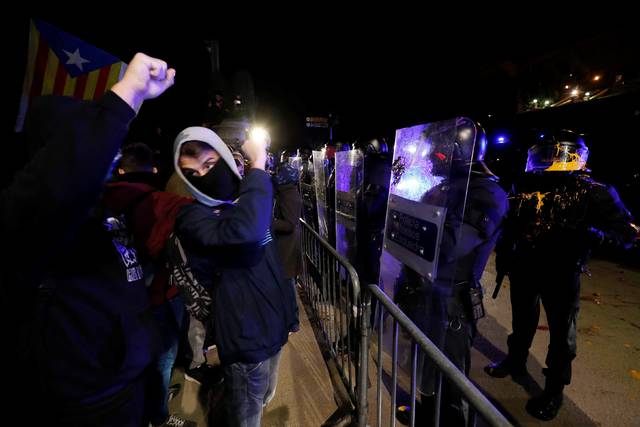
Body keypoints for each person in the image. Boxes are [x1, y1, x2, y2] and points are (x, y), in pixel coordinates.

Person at [0, 53, 174, 424]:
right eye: (85, 136)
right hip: (88, 406)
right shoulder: (33, 215)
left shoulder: (101, 206)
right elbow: (65, 180)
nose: (109, 154)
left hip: (128, 388)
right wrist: (129, 94)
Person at [484, 129, 637, 421]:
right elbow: (510, 223)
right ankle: (515, 362)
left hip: (562, 271)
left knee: (561, 335)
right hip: (525, 266)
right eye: (539, 153)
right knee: (522, 321)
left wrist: (590, 236)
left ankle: (554, 390)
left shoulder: (593, 191)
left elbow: (627, 235)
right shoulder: (524, 182)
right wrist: (505, 255)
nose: (543, 159)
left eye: (550, 153)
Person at [172, 126, 297, 427]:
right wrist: (257, 167)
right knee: (246, 416)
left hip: (272, 329)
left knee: (264, 397)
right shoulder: (193, 218)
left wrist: (288, 316)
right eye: (194, 172)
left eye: (210, 163)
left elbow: (270, 260)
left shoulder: (243, 201)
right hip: (245, 341)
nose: (204, 173)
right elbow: (248, 234)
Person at [396, 121, 508, 426]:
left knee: (450, 377)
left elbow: (449, 246)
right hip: (426, 292)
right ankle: (428, 415)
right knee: (426, 366)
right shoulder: (441, 187)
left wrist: (413, 222)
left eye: (437, 147)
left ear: (455, 149)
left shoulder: (487, 193)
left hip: (452, 301)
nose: (431, 154)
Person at [104, 142, 197, 427]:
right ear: (153, 169)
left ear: (121, 169)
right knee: (161, 359)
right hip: (157, 295)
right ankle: (158, 417)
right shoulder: (161, 202)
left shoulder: (95, 198)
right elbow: (215, 214)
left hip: (112, 299)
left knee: (123, 360)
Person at [272, 162, 303, 332]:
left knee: (287, 284)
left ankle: (293, 322)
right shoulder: (284, 192)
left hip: (287, 247)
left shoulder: (289, 194)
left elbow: (290, 224)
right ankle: (289, 318)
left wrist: (270, 223)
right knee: (285, 283)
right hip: (285, 245)